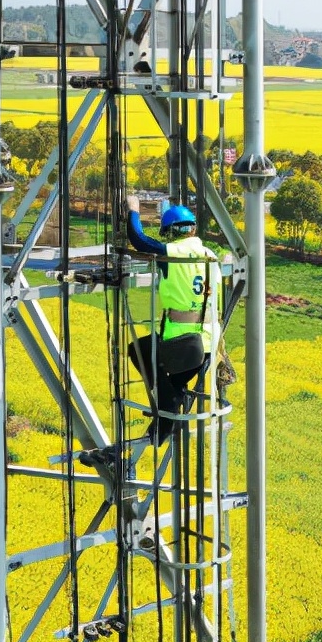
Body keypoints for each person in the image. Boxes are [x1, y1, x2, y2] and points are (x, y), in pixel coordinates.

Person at [79, 194, 223, 474]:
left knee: (139, 351)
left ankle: (167, 408)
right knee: (173, 388)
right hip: (208, 345)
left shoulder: (173, 253)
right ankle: (162, 425)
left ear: (171, 231)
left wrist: (133, 210)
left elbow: (140, 241)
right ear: (192, 228)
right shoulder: (210, 256)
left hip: (182, 344)